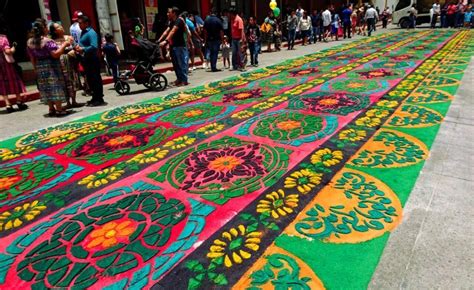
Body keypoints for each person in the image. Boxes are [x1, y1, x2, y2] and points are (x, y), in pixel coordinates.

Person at [27, 19, 71, 117]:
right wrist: (64, 45)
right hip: (51, 65)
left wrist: (35, 69)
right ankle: (59, 110)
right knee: (55, 86)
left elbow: (32, 57)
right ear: (44, 29)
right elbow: (55, 54)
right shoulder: (47, 41)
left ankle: (51, 109)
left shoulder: (30, 42)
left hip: (39, 66)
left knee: (45, 87)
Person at [50, 22, 82, 108]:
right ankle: (67, 102)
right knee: (64, 81)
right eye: (58, 27)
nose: (61, 27)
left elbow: (76, 47)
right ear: (55, 31)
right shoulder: (52, 41)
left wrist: (76, 50)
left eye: (60, 25)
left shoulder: (69, 37)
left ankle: (74, 101)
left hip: (71, 61)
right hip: (60, 64)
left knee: (73, 79)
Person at [75, 15, 105, 106]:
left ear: (86, 23)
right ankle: (94, 97)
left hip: (92, 59)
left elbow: (94, 46)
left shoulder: (91, 33)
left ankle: (99, 98)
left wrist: (82, 49)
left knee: (95, 79)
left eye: (80, 23)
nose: (79, 25)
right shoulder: (83, 32)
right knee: (90, 79)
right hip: (86, 59)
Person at [159, 7, 190, 86]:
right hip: (173, 46)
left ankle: (184, 80)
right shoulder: (171, 22)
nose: (167, 14)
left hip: (180, 46)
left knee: (181, 64)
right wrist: (159, 40)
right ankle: (179, 79)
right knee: (176, 64)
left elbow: (173, 31)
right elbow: (167, 31)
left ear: (174, 13)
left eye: (169, 12)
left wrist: (165, 41)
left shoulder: (179, 20)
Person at [203, 8, 224, 72]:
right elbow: (221, 31)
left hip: (209, 39)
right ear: (216, 13)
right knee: (215, 53)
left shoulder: (207, 20)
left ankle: (212, 65)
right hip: (216, 39)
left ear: (210, 12)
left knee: (211, 52)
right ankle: (213, 66)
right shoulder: (218, 20)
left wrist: (205, 39)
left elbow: (205, 31)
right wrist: (222, 40)